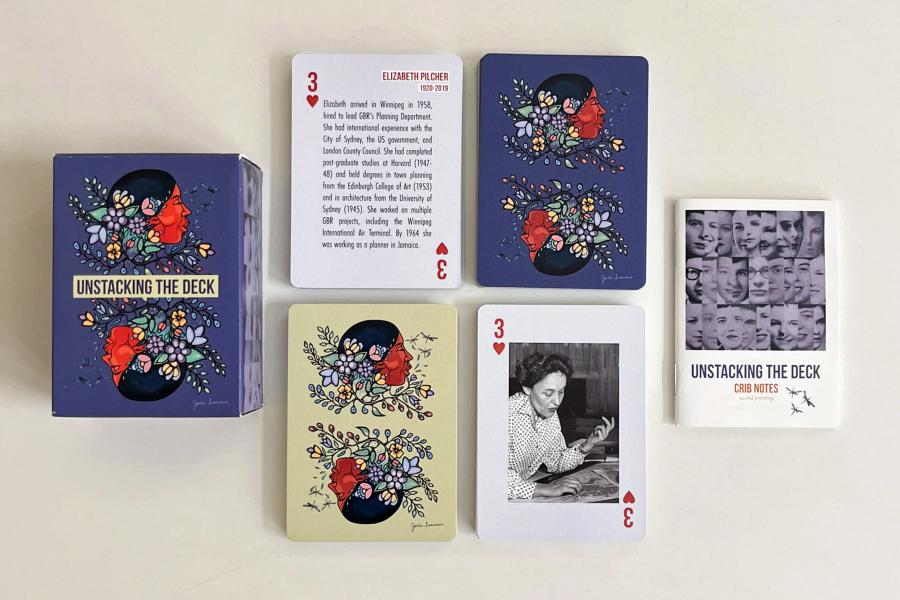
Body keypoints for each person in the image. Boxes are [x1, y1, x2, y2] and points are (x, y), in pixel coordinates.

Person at [508, 353, 615, 500]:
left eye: (561, 391)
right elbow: (491, 476)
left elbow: (556, 462)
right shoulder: (506, 415)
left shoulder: (549, 413)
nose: (557, 401)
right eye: (548, 393)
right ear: (527, 388)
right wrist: (543, 489)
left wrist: (587, 445)